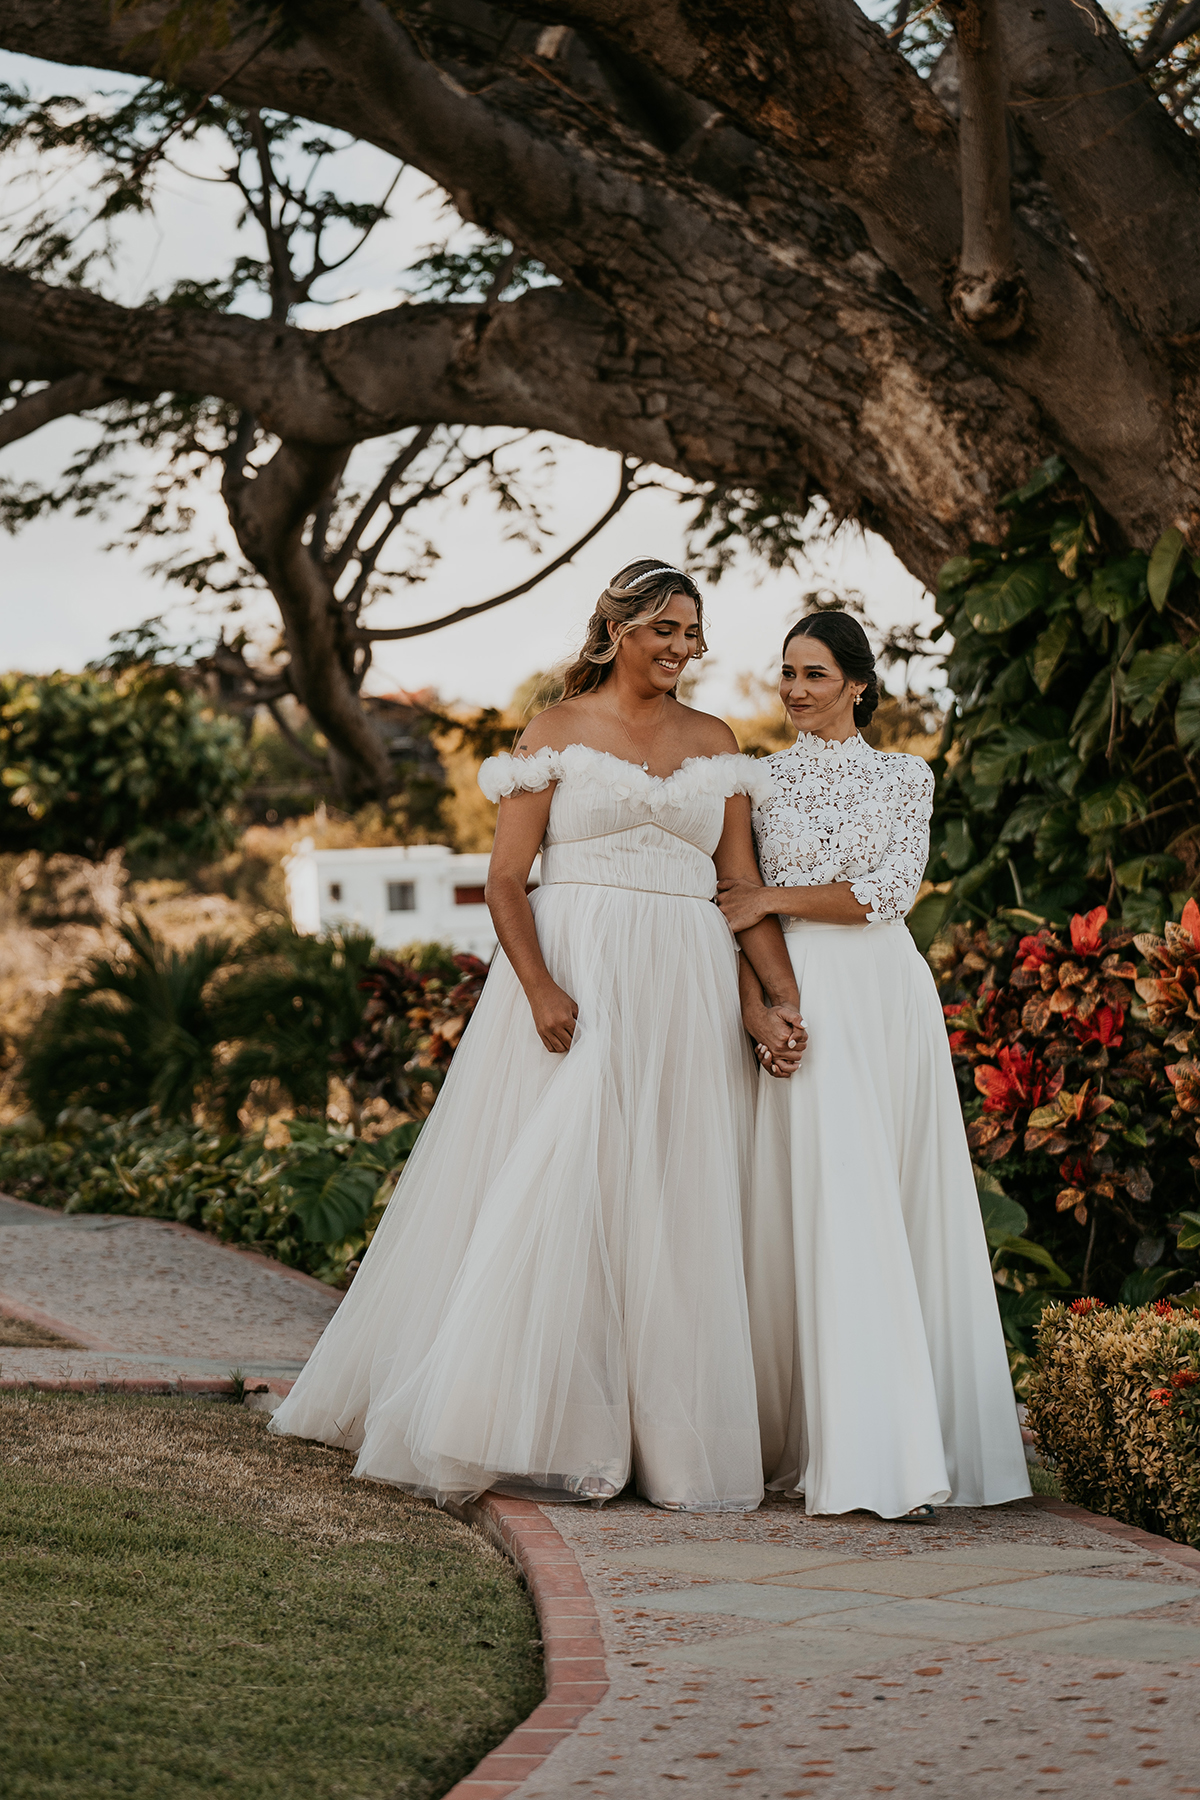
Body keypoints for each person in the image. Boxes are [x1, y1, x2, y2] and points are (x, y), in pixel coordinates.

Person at [270, 558, 804, 1512]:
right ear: (617, 629)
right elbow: (507, 880)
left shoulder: (718, 742)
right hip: (578, 976)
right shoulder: (554, 732)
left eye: (692, 632)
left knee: (671, 1198)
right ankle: (569, 1431)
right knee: (569, 1191)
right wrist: (541, 987)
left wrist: (766, 998)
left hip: (684, 984)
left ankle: (669, 1442)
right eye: (664, 631)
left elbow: (737, 886)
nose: (682, 648)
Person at [717, 611, 1030, 1520]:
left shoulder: (904, 775)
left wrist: (767, 895)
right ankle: (829, 1444)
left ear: (858, 682)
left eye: (814, 673)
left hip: (881, 993)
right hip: (796, 994)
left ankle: (896, 1445)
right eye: (786, 673)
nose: (795, 689)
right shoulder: (755, 782)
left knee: (881, 1196)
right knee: (812, 1200)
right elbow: (725, 907)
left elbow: (889, 891)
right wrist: (756, 1007)